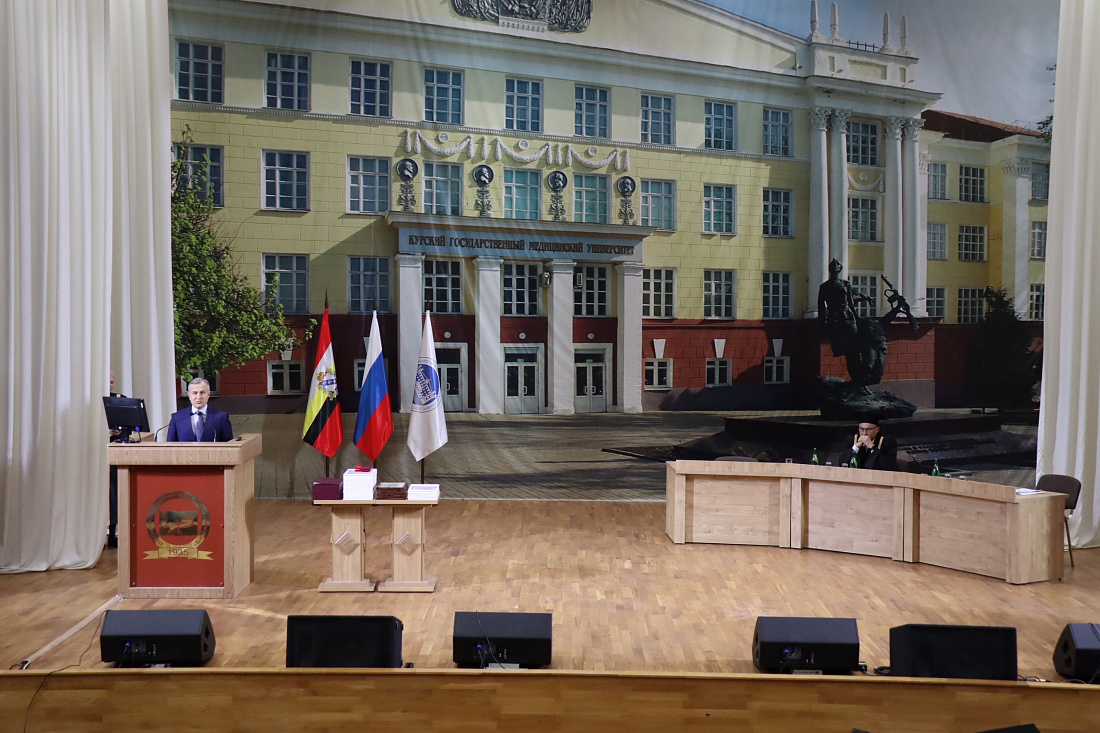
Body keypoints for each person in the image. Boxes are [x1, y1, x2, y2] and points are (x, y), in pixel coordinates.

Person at [167, 378, 233, 442]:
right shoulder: (177, 418)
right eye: (194, 393)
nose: (198, 397)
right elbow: (170, 445)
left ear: (208, 394)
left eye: (202, 392)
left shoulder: (221, 417)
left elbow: (229, 445)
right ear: (189, 395)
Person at [107, 372, 125, 548]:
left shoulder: (120, 400)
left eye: (112, 382)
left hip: (113, 453)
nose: (111, 385)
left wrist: (120, 430)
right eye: (108, 382)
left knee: (114, 493)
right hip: (93, 454)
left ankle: (113, 533)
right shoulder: (91, 402)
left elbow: (130, 426)